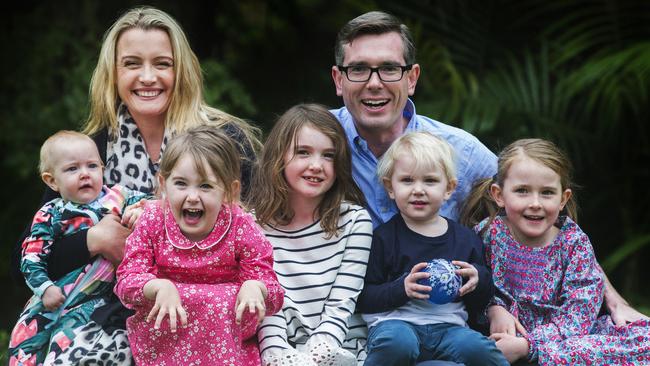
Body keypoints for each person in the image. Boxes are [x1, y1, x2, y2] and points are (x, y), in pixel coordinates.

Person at [330, 9, 646, 329]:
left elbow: (547, 217)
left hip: (447, 321)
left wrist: (615, 302)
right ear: (338, 80)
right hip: (343, 318)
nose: (374, 83)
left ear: (411, 79)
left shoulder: (460, 151)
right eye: (358, 69)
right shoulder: (312, 145)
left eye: (388, 69)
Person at [10, 6, 260, 364]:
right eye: (131, 64)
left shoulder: (223, 143)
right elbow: (27, 256)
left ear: (182, 70)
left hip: (207, 311)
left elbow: (258, 238)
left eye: (162, 63)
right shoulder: (88, 152)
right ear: (113, 73)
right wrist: (94, 240)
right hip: (105, 311)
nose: (147, 77)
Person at [465, 138, 650, 365]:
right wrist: (493, 308)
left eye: (547, 193)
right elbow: (473, 286)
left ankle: (536, 356)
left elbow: (580, 314)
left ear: (563, 199)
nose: (535, 203)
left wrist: (528, 345)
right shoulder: (487, 234)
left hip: (564, 338)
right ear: (499, 195)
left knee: (643, 338)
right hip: (501, 334)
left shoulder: (573, 243)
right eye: (522, 191)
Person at [115, 126, 284, 365]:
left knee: (228, 298)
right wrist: (157, 286)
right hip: (166, 338)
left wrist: (255, 287)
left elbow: (274, 292)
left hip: (226, 344)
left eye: (205, 186)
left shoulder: (240, 225)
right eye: (181, 183)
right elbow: (126, 282)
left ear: (229, 191)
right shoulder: (152, 219)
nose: (192, 196)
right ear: (163, 184)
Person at [356, 132, 507, 366]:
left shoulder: (466, 240)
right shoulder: (383, 238)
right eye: (407, 180)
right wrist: (401, 288)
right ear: (390, 187)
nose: (418, 190)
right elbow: (364, 297)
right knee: (398, 344)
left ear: (449, 188)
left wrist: (477, 280)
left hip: (450, 328)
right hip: (397, 325)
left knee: (480, 349)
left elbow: (482, 301)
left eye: (430, 181)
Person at [9, 131, 149, 365]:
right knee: (26, 342)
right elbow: (30, 256)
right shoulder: (52, 213)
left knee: (67, 351)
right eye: (72, 169)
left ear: (103, 168)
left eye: (92, 166)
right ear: (51, 181)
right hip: (57, 295)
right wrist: (44, 287)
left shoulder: (119, 196)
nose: (85, 174)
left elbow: (151, 202)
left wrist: (141, 210)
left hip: (96, 301)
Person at [251, 104, 373, 366]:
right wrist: (277, 354)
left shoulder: (354, 221)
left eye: (328, 156)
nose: (316, 165)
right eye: (303, 153)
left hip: (340, 349)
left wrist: (318, 354)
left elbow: (343, 302)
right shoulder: (252, 226)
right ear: (279, 157)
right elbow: (267, 306)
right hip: (279, 353)